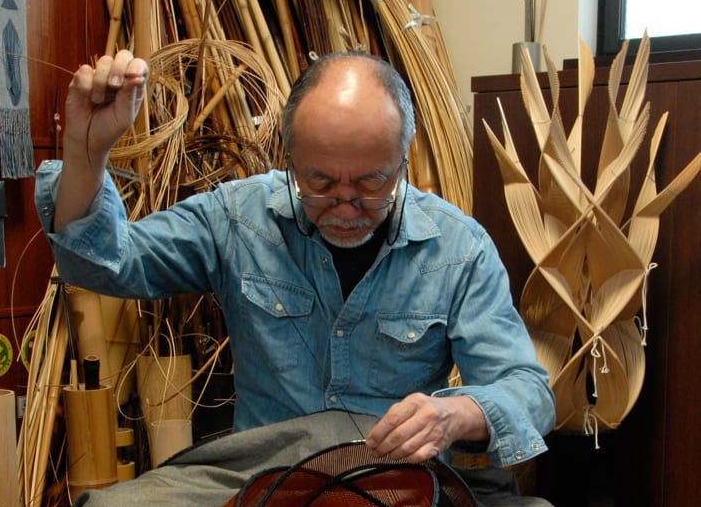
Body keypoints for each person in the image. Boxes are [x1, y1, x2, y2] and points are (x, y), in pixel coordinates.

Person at [35, 49, 555, 466]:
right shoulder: (238, 219)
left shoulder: (457, 249)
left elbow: (529, 391)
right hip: (263, 487)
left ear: (404, 160)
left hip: (399, 497)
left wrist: (457, 415)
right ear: (289, 158)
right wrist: (87, 151)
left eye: (372, 182)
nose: (346, 206)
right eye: (319, 181)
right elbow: (102, 263)